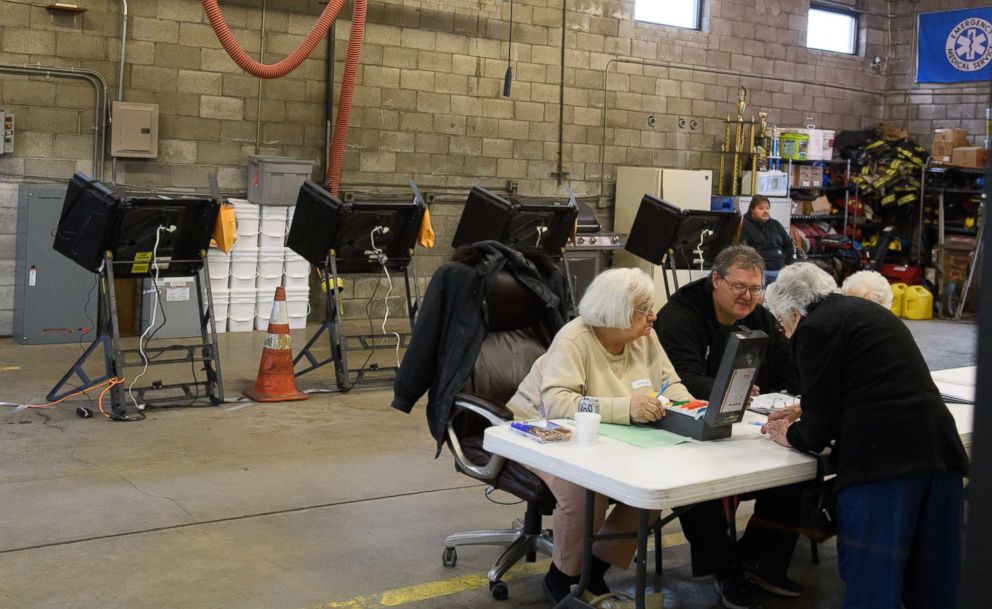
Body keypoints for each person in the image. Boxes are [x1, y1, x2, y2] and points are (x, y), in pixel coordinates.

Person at [763, 263, 969, 609]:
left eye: (783, 324)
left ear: (794, 312)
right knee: (936, 584)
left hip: (884, 467)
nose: (785, 333)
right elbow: (871, 382)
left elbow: (815, 433)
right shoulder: (864, 313)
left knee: (874, 587)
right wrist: (805, 408)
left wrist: (787, 434)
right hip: (938, 454)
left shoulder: (814, 328)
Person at [507, 268, 694, 607]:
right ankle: (561, 578)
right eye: (643, 309)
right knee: (582, 489)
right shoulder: (575, 338)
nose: (652, 316)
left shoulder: (645, 337)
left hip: (607, 436)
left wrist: (688, 407)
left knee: (651, 487)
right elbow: (558, 402)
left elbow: (673, 384)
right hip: (541, 432)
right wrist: (627, 408)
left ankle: (593, 571)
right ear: (615, 310)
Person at [654, 244, 803, 609]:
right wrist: (730, 390)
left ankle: (759, 559)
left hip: (752, 425)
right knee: (702, 483)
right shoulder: (680, 316)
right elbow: (681, 379)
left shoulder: (760, 317)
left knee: (800, 468)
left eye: (755, 289)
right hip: (688, 425)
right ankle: (726, 569)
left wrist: (794, 400)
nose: (748, 296)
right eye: (739, 287)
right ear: (716, 280)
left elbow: (789, 369)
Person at [739, 195, 794, 275]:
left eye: (767, 208)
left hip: (781, 268)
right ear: (752, 210)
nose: (765, 211)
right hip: (760, 271)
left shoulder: (775, 224)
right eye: (761, 208)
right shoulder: (744, 225)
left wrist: (788, 265)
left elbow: (789, 244)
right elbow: (744, 251)